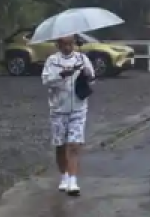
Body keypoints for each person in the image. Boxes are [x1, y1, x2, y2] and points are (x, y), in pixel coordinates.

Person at [41, 34, 95, 196]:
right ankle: (64, 176)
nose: (67, 47)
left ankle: (73, 181)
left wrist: (87, 75)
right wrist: (60, 75)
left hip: (78, 108)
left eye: (70, 43)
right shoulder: (52, 61)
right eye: (64, 44)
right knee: (60, 145)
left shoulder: (82, 59)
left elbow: (92, 81)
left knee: (74, 144)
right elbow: (45, 81)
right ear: (58, 45)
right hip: (58, 109)